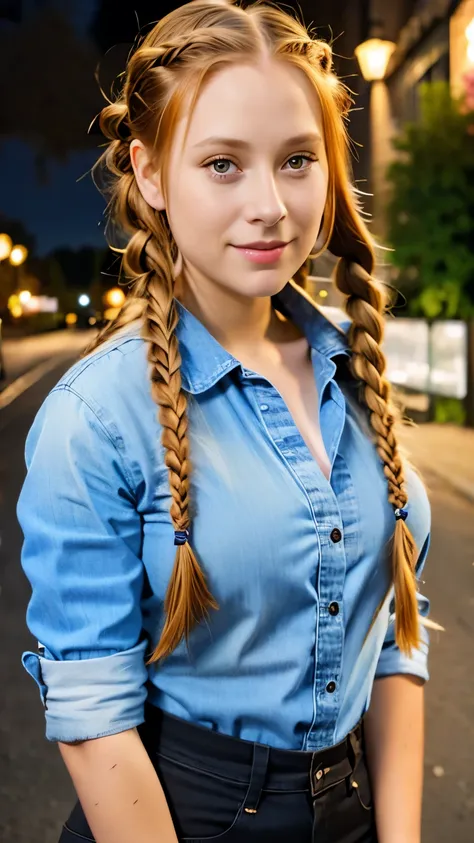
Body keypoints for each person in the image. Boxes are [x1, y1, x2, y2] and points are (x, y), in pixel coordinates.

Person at [17, 2, 436, 842]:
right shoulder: (96, 418)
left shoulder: (354, 373)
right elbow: (95, 721)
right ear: (150, 173)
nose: (271, 204)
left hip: (354, 807)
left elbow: (397, 639)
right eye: (221, 164)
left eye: (295, 160)